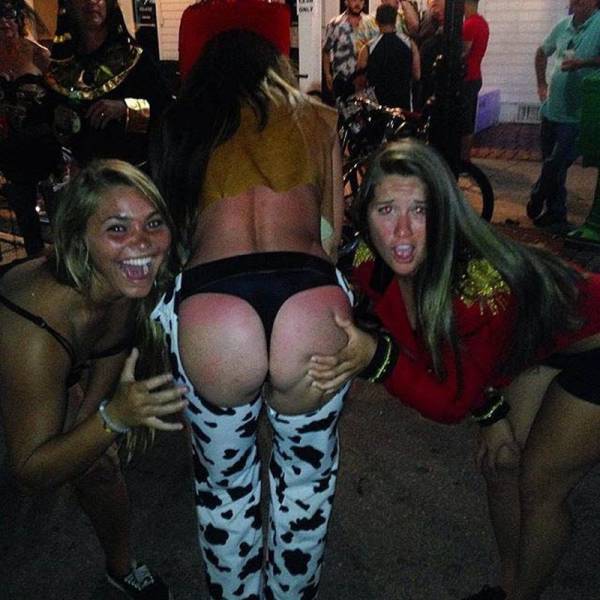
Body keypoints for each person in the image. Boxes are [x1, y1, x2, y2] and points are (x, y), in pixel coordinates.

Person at [308, 139, 600, 600]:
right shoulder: (369, 262)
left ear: (444, 214)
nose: (402, 231)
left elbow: (450, 402)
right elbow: (440, 354)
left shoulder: (476, 287)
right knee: (500, 465)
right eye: (386, 209)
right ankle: (510, 585)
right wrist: (491, 413)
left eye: (420, 210)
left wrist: (376, 359)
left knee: (540, 484)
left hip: (592, 345)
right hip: (534, 346)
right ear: (364, 214)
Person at [151, 19, 354, 599]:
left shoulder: (180, 123)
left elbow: (175, 239)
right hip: (307, 296)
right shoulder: (318, 119)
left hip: (215, 306)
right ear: (276, 68)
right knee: (306, 483)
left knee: (224, 487)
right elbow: (331, 237)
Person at [0, 160, 187, 600]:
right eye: (117, 229)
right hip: (23, 350)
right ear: (79, 238)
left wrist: (96, 429)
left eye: (153, 223)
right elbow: (30, 472)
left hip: (53, 360)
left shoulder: (122, 279)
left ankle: (121, 569)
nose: (142, 242)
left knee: (97, 464)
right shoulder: (36, 331)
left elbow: (110, 353)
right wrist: (115, 418)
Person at [46, 0, 171, 168]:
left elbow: (167, 110)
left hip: (131, 173)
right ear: (68, 6)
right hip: (82, 175)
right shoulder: (59, 69)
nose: (92, 1)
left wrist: (127, 108)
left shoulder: (135, 58)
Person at [527, 0, 600, 233]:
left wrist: (583, 63)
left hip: (578, 114)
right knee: (552, 164)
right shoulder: (563, 25)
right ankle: (555, 214)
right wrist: (541, 84)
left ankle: (538, 193)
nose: (577, 0)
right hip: (552, 110)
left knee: (557, 162)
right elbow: (542, 52)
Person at [0, 0, 60, 256]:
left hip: (43, 147)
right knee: (26, 220)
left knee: (59, 215)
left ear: (19, 19)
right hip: (10, 151)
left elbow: (61, 96)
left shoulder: (37, 53)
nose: (4, 22)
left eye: (9, 15)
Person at [355, 3, 420, 110]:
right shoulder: (410, 44)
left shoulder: (368, 48)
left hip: (377, 107)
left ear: (376, 21)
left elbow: (360, 82)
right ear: (395, 20)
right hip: (403, 106)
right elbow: (417, 75)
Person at [322, 0, 372, 101]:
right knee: (342, 109)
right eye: (354, 0)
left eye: (361, 0)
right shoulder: (335, 24)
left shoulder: (370, 23)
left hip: (364, 81)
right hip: (342, 79)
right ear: (346, 2)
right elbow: (326, 50)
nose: (358, 4)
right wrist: (327, 74)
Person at [461, 0, 489, 161]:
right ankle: (465, 158)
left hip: (467, 77)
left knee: (464, 122)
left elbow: (463, 52)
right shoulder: (482, 23)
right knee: (469, 119)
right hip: (476, 75)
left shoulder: (470, 24)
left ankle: (462, 158)